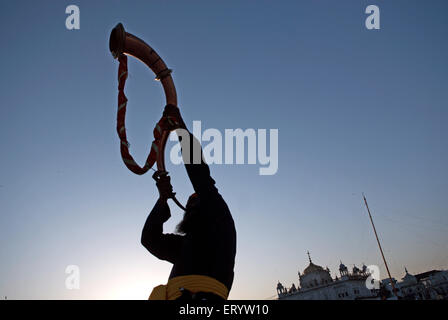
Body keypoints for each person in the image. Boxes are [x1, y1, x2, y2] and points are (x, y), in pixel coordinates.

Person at [141, 105, 237, 300]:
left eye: (196, 199)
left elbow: (200, 175)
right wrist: (162, 200)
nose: (192, 203)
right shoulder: (184, 244)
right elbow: (149, 239)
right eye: (189, 203)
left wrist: (181, 130)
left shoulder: (220, 222)